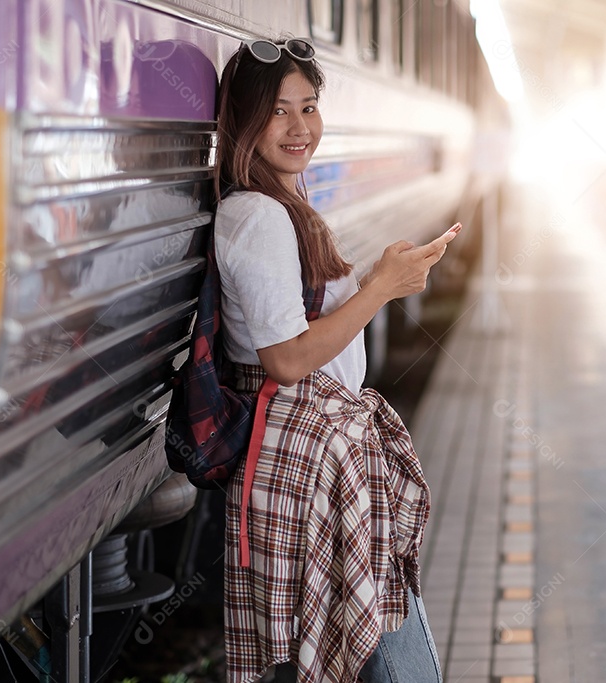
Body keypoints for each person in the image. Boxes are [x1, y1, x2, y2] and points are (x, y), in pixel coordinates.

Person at [214, 37, 456, 683]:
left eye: (310, 106)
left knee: (353, 649)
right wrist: (381, 288)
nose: (300, 128)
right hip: (302, 457)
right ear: (245, 121)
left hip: (317, 456)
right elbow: (288, 359)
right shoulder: (258, 216)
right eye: (279, 111)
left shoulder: (282, 206)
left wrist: (380, 275)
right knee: (381, 656)